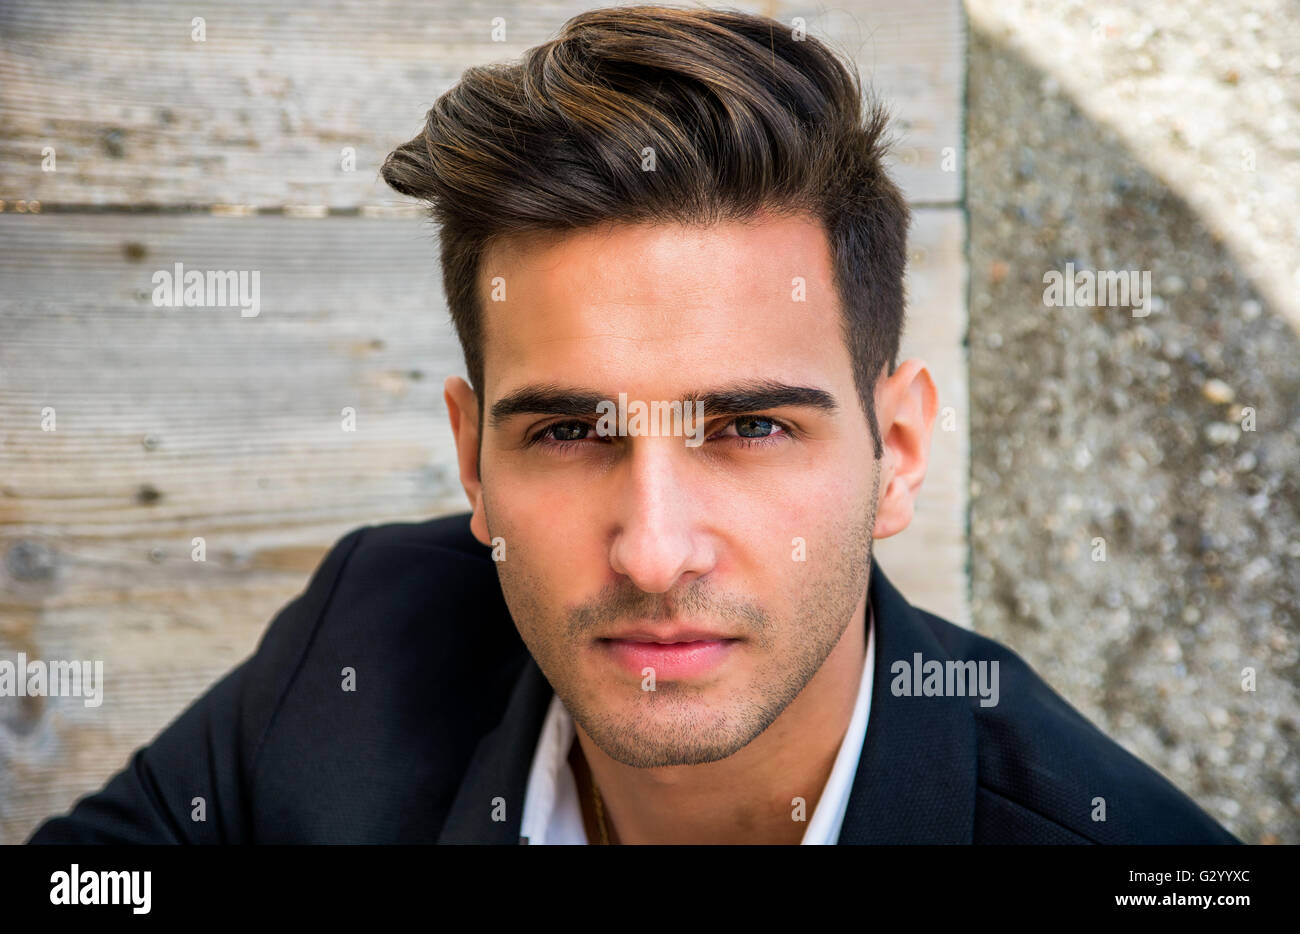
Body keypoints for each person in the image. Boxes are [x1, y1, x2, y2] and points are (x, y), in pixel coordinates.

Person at [28, 5, 1237, 845]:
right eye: (568, 433)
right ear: (473, 462)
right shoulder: (371, 640)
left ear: (897, 455)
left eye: (751, 427)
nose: (654, 552)